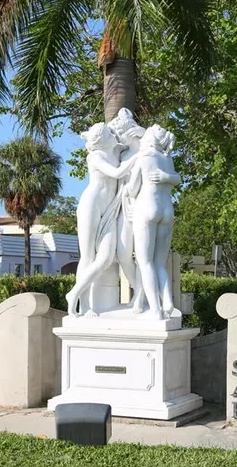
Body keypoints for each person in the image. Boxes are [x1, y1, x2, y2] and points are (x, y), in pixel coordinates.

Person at [67, 123, 137, 317]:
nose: (113, 134)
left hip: (109, 211)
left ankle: (73, 293)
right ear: (103, 139)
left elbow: (130, 142)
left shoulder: (115, 152)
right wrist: (141, 157)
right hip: (91, 205)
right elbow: (117, 173)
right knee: (88, 256)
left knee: (105, 257)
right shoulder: (95, 156)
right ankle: (83, 304)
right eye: (109, 133)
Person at [128, 125, 181, 320]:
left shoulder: (144, 157)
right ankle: (167, 300)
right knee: (160, 262)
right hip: (167, 210)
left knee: (145, 262)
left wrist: (126, 190)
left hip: (147, 206)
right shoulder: (167, 158)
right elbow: (177, 178)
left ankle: (156, 310)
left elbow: (133, 188)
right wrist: (166, 177)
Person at [106, 108, 146, 312]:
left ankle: (141, 297)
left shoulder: (147, 149)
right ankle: (140, 290)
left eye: (118, 133)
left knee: (143, 255)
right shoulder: (123, 154)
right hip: (124, 203)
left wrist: (143, 134)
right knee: (123, 253)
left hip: (142, 206)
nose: (117, 138)